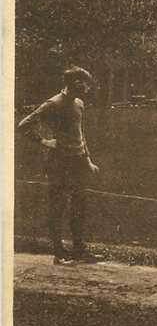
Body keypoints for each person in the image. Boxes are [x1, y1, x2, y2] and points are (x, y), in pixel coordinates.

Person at [18, 66, 102, 265]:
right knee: (58, 206)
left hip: (78, 161)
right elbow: (24, 125)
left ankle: (79, 250)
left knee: (79, 205)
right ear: (75, 83)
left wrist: (88, 160)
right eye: (85, 83)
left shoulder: (79, 103)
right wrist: (44, 141)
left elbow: (80, 134)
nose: (87, 88)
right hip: (59, 162)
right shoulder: (53, 103)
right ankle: (59, 253)